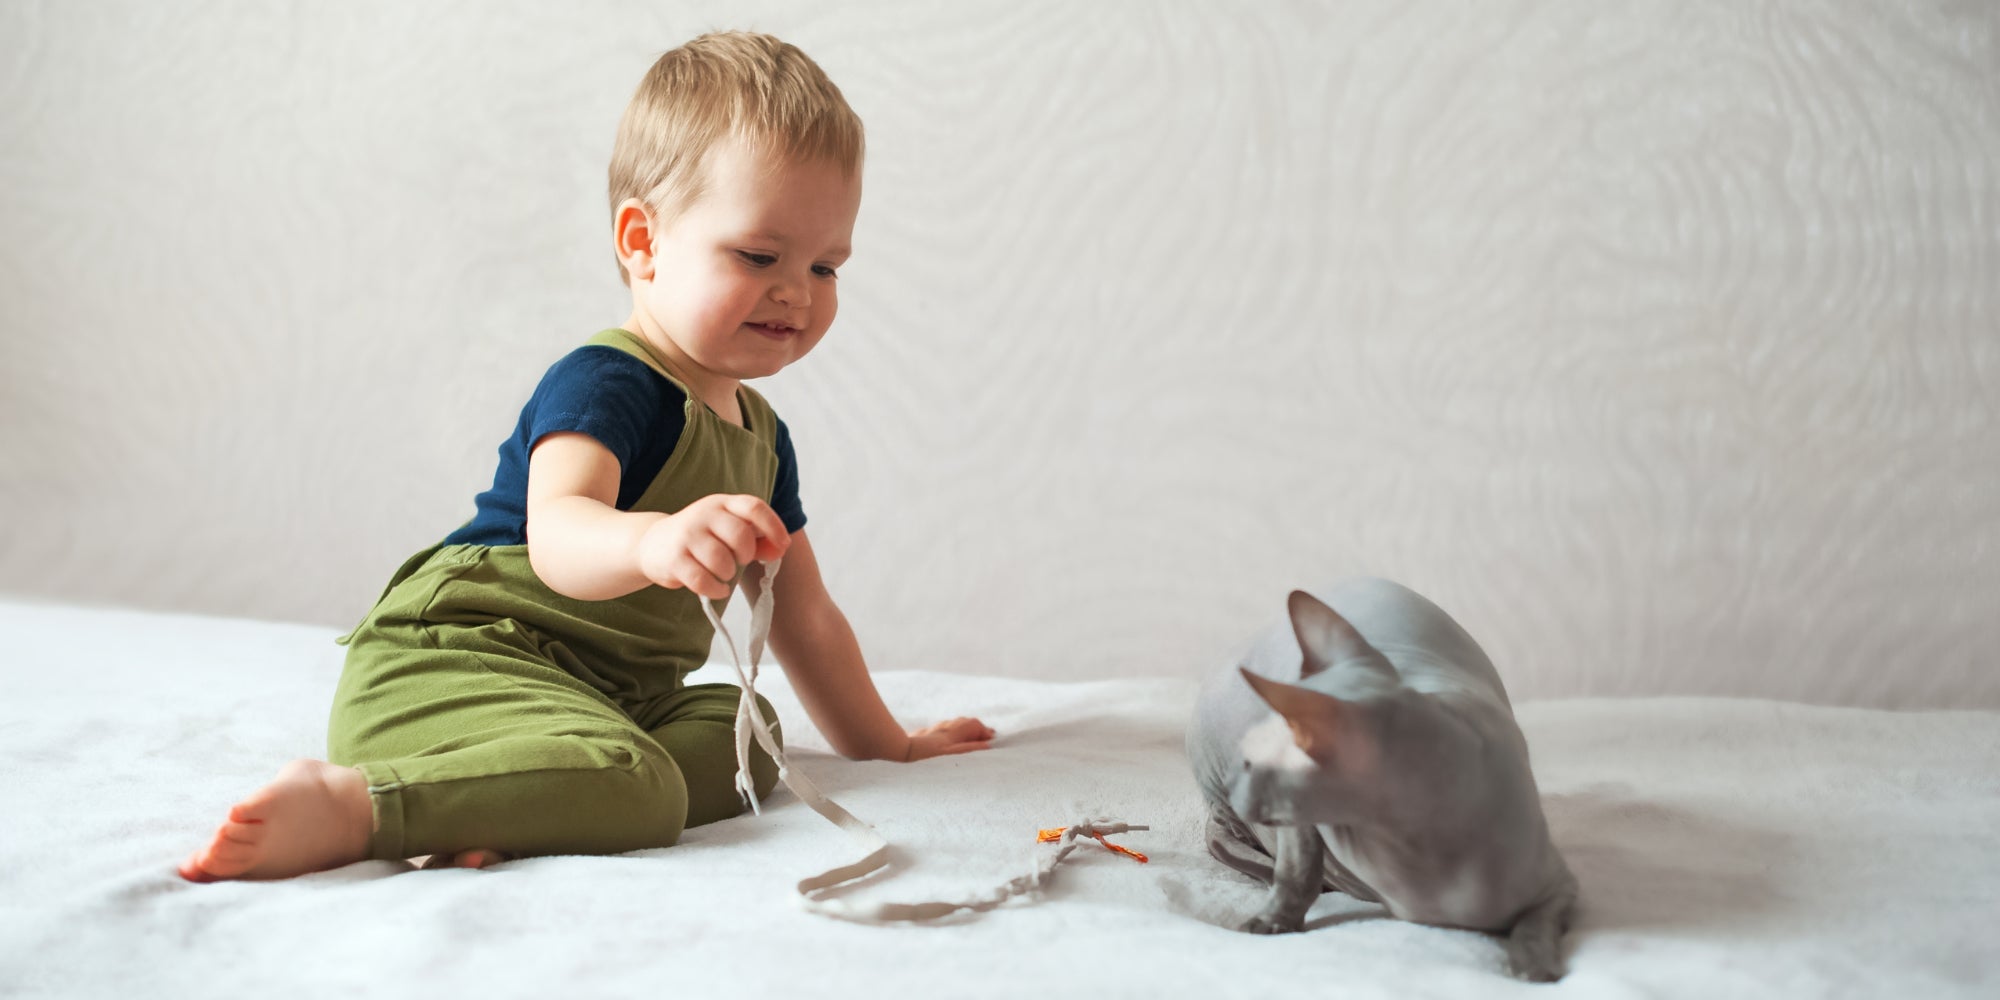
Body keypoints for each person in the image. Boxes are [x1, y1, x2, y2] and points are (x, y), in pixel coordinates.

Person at [180, 31, 994, 881]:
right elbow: (560, 535)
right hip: (464, 662)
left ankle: (525, 798)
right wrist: (651, 540)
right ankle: (355, 807)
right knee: (643, 789)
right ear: (641, 242)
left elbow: (805, 617)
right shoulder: (610, 382)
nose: (799, 290)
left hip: (604, 697)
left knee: (745, 734)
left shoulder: (762, 437)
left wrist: (890, 748)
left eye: (828, 266)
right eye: (760, 255)